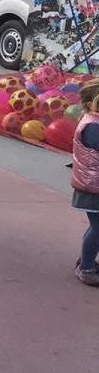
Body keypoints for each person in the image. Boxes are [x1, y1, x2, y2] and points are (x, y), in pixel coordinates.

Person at [71, 81, 99, 286]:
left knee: (97, 227)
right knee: (98, 228)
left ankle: (86, 260)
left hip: (93, 185)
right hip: (93, 188)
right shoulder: (93, 127)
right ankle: (86, 267)